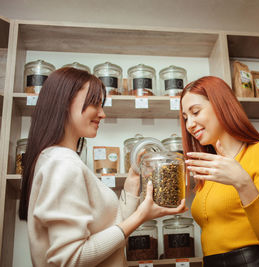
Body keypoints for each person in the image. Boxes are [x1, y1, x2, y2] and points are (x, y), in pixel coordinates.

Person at [19, 67, 186, 267]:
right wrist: (141, 216)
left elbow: (108, 229)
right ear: (64, 103)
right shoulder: (62, 164)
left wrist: (133, 178)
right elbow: (70, 259)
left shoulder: (57, 159)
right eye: (94, 104)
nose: (102, 114)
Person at [180, 76, 259, 267]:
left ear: (221, 105)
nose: (189, 124)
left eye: (195, 112)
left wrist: (242, 183)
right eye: (185, 117)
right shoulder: (210, 165)